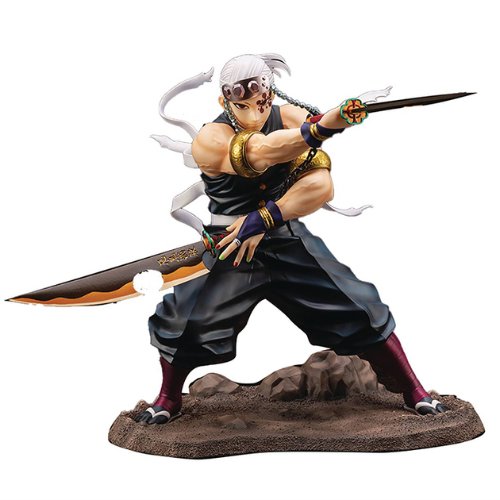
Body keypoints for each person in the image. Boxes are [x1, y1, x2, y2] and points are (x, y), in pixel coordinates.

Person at [137, 53, 447, 425]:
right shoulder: (211, 138)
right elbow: (260, 152)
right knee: (186, 320)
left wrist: (264, 218)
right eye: (242, 103)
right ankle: (168, 398)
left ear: (270, 92)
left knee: (360, 306)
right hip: (230, 243)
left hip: (284, 236)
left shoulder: (290, 117)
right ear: (224, 100)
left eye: (261, 100)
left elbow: (320, 186)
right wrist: (319, 130)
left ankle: (414, 390)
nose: (254, 109)